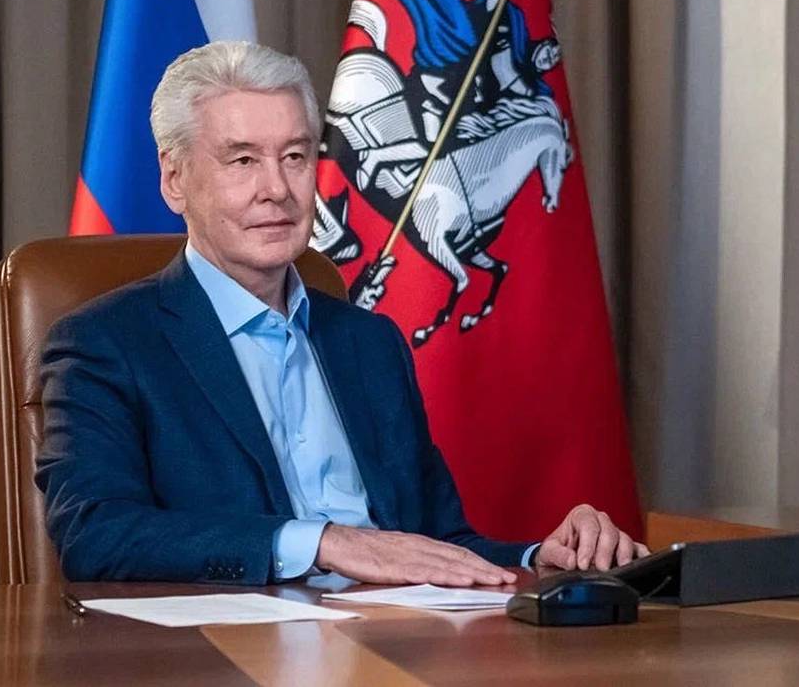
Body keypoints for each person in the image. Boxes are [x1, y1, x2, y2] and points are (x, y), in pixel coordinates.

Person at [35, 40, 646, 585]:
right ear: (174, 179)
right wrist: (323, 543)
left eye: (295, 157)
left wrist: (539, 557)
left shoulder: (370, 342)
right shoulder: (103, 344)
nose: (277, 189)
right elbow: (96, 534)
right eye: (243, 160)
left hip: (399, 646)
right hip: (232, 653)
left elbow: (436, 544)